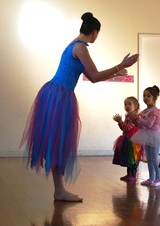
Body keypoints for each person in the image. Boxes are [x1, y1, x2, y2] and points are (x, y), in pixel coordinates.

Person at [19, 12, 139, 202]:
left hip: (54, 93)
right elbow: (96, 76)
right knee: (58, 142)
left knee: (56, 141)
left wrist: (117, 71)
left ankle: (59, 189)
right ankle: (59, 190)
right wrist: (120, 65)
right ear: (95, 32)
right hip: (60, 96)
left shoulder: (73, 44)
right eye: (97, 34)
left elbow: (91, 77)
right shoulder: (81, 48)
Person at [129, 85, 160, 187]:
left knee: (154, 158)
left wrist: (138, 118)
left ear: (154, 98)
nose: (145, 98)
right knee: (148, 158)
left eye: (148, 96)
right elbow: (140, 125)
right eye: (144, 95)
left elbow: (149, 124)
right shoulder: (145, 111)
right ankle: (151, 178)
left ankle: (159, 178)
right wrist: (134, 120)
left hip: (154, 135)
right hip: (147, 135)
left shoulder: (155, 111)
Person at [112, 96, 142, 182]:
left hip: (133, 141)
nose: (127, 106)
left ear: (135, 106)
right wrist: (120, 122)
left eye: (129, 104)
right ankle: (129, 174)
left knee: (133, 158)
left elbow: (129, 127)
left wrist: (121, 121)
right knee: (128, 158)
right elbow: (124, 128)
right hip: (127, 139)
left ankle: (133, 175)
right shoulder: (127, 116)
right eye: (125, 104)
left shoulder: (134, 117)